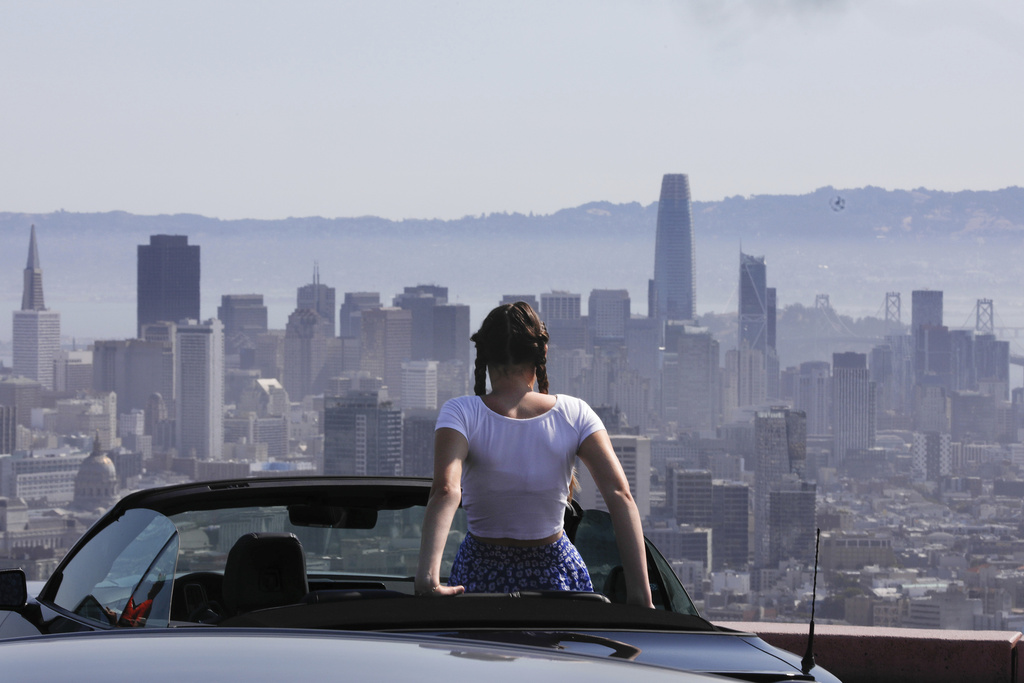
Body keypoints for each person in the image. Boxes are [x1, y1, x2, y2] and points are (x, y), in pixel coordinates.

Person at [415, 301, 653, 608]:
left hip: (480, 577)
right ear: (542, 353)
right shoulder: (574, 412)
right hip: (555, 578)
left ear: (484, 354)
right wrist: (641, 597)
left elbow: (446, 489)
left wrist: (427, 581)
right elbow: (620, 494)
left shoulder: (461, 412)